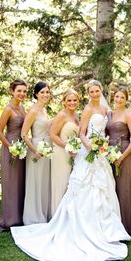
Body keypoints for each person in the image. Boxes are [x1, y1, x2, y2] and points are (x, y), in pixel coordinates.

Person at [11, 80, 130, 261]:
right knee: (80, 187)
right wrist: (88, 145)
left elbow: (100, 130)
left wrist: (101, 145)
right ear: (88, 93)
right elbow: (81, 133)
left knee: (102, 187)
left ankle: (106, 229)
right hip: (83, 150)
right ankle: (73, 224)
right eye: (91, 91)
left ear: (101, 91)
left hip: (96, 154)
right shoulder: (86, 110)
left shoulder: (105, 110)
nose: (94, 93)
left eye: (97, 90)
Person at [0, 80, 27, 231]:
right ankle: (9, 219)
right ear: (12, 91)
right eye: (19, 90)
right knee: (11, 184)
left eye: (25, 91)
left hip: (21, 148)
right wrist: (11, 147)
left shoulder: (22, 108)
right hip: (10, 148)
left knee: (20, 183)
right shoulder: (8, 109)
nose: (22, 94)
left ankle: (19, 216)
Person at [106, 87, 131, 234]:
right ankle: (113, 224)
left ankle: (125, 225)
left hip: (124, 152)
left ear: (126, 100)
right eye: (116, 97)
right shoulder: (109, 114)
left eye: (122, 98)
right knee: (111, 188)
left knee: (123, 189)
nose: (118, 100)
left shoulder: (128, 114)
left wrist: (122, 156)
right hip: (109, 153)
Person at [22, 81, 52, 225]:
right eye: (42, 92)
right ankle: (33, 217)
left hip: (46, 149)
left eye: (47, 92)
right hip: (36, 149)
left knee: (43, 182)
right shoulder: (33, 111)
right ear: (36, 94)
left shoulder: (44, 110)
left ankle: (43, 214)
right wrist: (35, 151)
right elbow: (24, 134)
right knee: (35, 181)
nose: (45, 95)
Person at [50, 89, 80, 217]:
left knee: (70, 184)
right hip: (61, 153)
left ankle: (67, 215)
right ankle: (57, 215)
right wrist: (67, 146)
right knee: (61, 183)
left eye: (75, 100)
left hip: (73, 155)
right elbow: (52, 134)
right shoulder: (62, 115)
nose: (72, 103)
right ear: (64, 101)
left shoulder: (77, 116)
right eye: (69, 100)